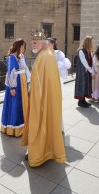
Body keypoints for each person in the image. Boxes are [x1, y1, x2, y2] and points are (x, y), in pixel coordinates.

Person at [21, 29, 66, 167]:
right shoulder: (46, 53)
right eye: (32, 42)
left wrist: (34, 96)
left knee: (39, 124)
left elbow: (43, 83)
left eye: (35, 42)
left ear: (42, 42)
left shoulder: (45, 56)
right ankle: (45, 151)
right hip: (43, 98)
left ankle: (38, 154)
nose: (33, 45)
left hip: (41, 100)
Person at [0, 39, 30, 137]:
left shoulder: (21, 56)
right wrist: (12, 88)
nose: (24, 48)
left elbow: (25, 69)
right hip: (15, 84)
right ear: (19, 46)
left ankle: (21, 127)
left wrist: (29, 80)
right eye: (23, 46)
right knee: (15, 104)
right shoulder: (11, 58)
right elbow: (11, 73)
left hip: (22, 83)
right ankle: (13, 129)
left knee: (21, 104)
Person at [47, 37, 71, 131]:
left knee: (56, 101)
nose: (46, 45)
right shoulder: (45, 53)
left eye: (48, 43)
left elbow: (66, 65)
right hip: (48, 79)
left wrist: (55, 65)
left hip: (56, 79)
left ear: (53, 44)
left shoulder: (58, 53)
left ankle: (57, 126)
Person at [74, 36, 95, 108]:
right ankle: (80, 101)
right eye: (91, 42)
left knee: (86, 86)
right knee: (82, 85)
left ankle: (83, 100)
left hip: (86, 72)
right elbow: (84, 62)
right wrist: (91, 71)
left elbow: (91, 60)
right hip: (82, 72)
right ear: (88, 42)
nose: (92, 44)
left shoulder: (87, 51)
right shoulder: (81, 51)